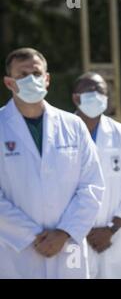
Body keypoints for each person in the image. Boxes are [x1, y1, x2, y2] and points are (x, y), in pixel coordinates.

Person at [0, 48, 104, 278]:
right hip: (16, 250)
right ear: (9, 82)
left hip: (68, 248)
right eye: (22, 75)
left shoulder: (73, 126)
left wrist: (65, 232)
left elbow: (92, 185)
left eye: (36, 74)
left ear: (47, 79)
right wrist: (30, 235)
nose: (31, 80)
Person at [72, 72, 121, 279]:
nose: (96, 95)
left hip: (116, 237)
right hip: (74, 237)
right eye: (89, 90)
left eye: (101, 91)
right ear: (76, 98)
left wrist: (111, 229)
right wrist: (76, 229)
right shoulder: (62, 134)